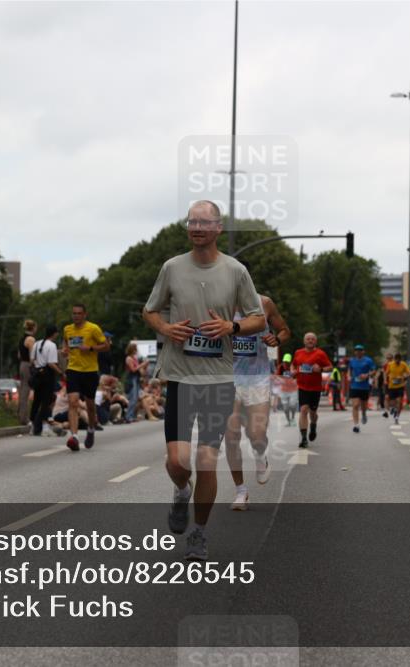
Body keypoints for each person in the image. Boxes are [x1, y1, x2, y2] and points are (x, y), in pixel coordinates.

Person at [143, 199, 265, 560]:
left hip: (218, 379)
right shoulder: (172, 268)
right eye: (191, 221)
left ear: (218, 228)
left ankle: (198, 532)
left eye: (203, 222)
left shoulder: (236, 271)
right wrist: (166, 327)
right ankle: (182, 491)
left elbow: (258, 318)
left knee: (207, 459)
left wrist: (232, 326)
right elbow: (149, 310)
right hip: (181, 376)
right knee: (178, 462)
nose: (196, 227)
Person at [225, 294, 291, 510]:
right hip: (227, 380)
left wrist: (277, 339)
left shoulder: (265, 304)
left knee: (257, 433)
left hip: (258, 379)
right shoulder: (218, 302)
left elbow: (285, 330)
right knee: (231, 434)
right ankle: (241, 491)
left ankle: (260, 455)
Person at [63, 304, 110, 451]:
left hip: (90, 371)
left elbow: (106, 345)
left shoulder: (93, 329)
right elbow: (66, 342)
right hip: (73, 370)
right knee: (73, 402)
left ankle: (90, 429)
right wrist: (65, 350)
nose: (76, 316)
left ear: (85, 315)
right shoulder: (67, 329)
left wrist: (90, 348)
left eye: (78, 313)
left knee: (90, 405)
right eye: (74, 313)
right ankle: (74, 437)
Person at [292, 332, 332, 448]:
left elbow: (330, 367)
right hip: (302, 387)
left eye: (312, 339)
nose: (310, 341)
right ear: (304, 341)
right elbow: (293, 365)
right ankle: (304, 438)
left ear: (315, 342)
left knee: (313, 413)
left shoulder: (320, 354)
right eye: (308, 339)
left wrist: (320, 369)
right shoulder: (298, 353)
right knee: (303, 410)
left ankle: (313, 425)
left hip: (315, 388)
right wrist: (293, 371)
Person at [30, 324, 64, 437]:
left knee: (37, 400)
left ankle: (32, 425)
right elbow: (51, 363)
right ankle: (45, 428)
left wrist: (38, 368)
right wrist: (61, 373)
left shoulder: (37, 343)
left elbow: (32, 360)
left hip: (37, 375)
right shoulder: (52, 345)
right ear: (54, 333)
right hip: (47, 375)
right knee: (47, 401)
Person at [348, 344, 375, 433]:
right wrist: (348, 376)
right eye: (356, 350)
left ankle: (363, 414)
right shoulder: (352, 361)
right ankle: (356, 425)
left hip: (364, 387)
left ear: (363, 351)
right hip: (354, 386)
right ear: (355, 352)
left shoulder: (368, 360)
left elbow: (374, 371)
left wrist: (366, 375)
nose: (358, 352)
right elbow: (349, 370)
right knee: (355, 405)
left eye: (360, 350)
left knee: (363, 406)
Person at [17, 320, 38, 425]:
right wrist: (35, 367)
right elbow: (32, 356)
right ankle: (24, 418)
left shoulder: (22, 339)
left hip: (21, 364)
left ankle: (20, 415)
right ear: (33, 327)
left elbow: (19, 355)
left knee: (22, 391)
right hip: (28, 366)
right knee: (26, 391)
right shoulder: (31, 339)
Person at [124, 342, 150, 423]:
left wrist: (145, 366)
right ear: (132, 350)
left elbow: (139, 370)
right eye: (135, 349)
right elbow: (133, 369)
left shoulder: (134, 358)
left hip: (136, 379)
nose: (136, 351)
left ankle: (131, 416)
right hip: (131, 379)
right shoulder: (128, 358)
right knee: (133, 398)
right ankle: (128, 416)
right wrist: (143, 364)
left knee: (135, 399)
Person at [385, 353, 410, 425]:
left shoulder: (403, 364)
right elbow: (386, 373)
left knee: (399, 402)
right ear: (394, 359)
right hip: (392, 386)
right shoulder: (390, 364)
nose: (397, 361)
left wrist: (405, 375)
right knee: (392, 401)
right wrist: (385, 380)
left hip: (400, 386)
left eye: (399, 360)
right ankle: (393, 409)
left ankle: (397, 417)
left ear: (400, 359)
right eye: (396, 359)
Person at [274, 353, 298, 425]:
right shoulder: (280, 367)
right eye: (284, 362)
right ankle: (288, 421)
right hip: (284, 390)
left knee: (293, 405)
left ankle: (293, 418)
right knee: (285, 407)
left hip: (293, 389)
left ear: (290, 362)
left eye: (287, 362)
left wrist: (294, 377)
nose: (285, 363)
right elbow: (276, 377)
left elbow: (298, 377)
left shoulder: (294, 368)